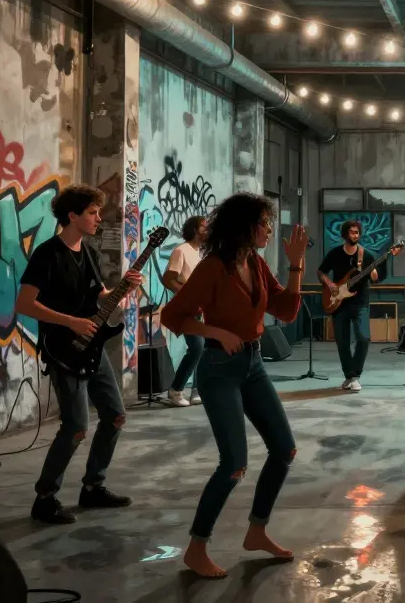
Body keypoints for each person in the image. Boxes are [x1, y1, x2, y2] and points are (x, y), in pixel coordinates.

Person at [160, 193, 309, 579]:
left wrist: (296, 267)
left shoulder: (255, 263)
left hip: (253, 365)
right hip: (219, 368)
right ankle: (196, 547)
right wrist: (214, 331)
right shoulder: (213, 268)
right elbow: (174, 315)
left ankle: (257, 531)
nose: (269, 229)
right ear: (244, 226)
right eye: (263, 222)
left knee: (284, 449)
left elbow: (286, 311)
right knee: (234, 464)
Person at [16, 184, 142, 525]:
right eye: (92, 213)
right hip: (63, 350)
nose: (99, 219)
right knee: (75, 426)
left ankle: (93, 486)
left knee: (115, 416)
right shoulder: (48, 254)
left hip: (93, 347)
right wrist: (70, 322)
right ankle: (45, 497)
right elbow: (24, 303)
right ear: (72, 216)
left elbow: (99, 297)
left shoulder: (88, 251)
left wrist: (121, 290)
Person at [317, 220, 388, 391]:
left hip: (360, 303)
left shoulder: (367, 255)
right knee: (342, 343)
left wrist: (378, 267)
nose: (354, 235)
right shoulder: (335, 253)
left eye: (357, 232)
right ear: (344, 235)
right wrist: (331, 285)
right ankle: (349, 376)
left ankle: (355, 375)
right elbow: (321, 271)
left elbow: (376, 278)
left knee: (363, 338)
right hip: (338, 303)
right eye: (351, 232)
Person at [161, 215, 207, 406]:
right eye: (204, 227)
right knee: (196, 348)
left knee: (202, 349)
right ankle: (176, 390)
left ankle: (197, 391)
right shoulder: (181, 251)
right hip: (187, 308)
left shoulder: (201, 253)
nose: (208, 230)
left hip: (201, 308)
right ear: (195, 230)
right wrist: (186, 293)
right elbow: (168, 278)